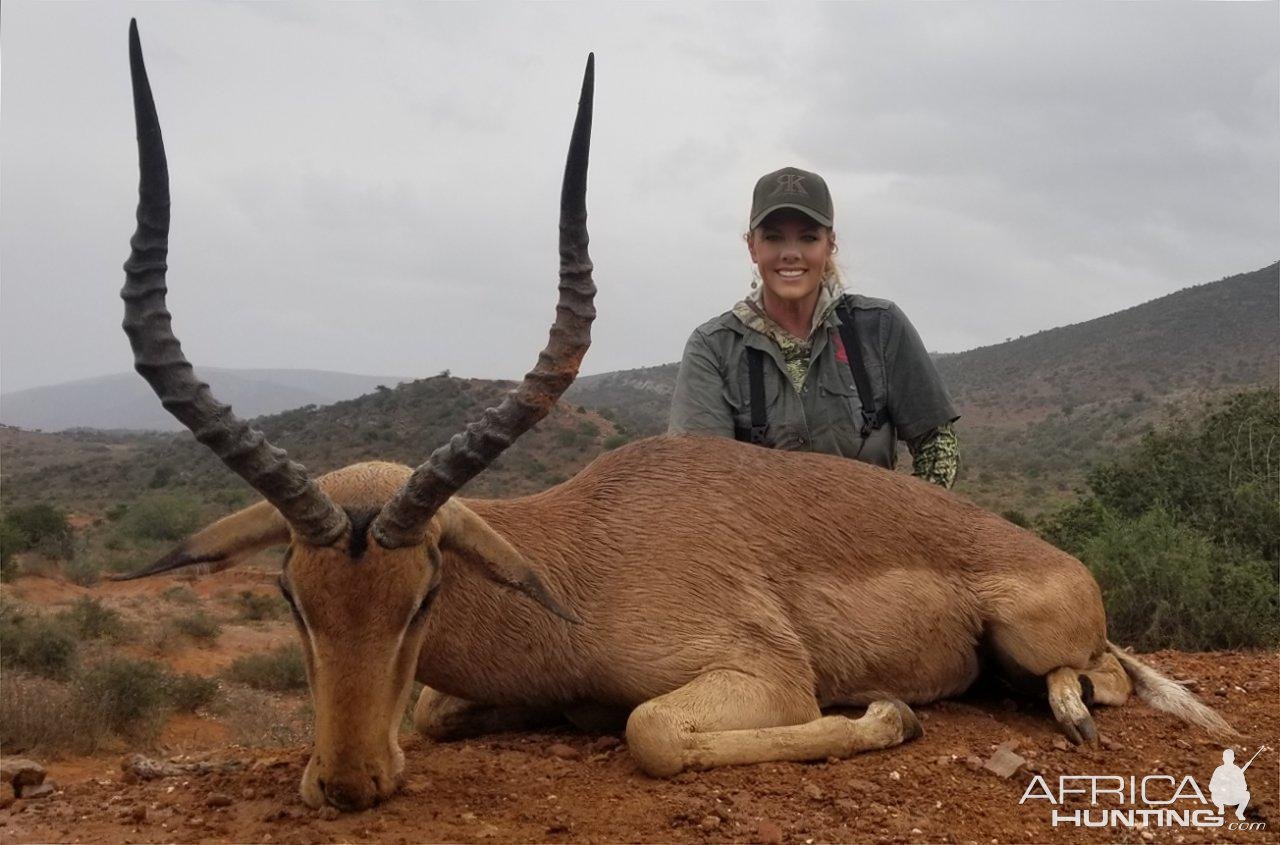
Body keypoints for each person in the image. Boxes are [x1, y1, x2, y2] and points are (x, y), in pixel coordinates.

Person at [668, 166, 960, 488]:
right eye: (773, 237)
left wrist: (907, 530)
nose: (791, 254)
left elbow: (938, 446)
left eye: (808, 237)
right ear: (752, 246)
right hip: (760, 538)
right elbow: (699, 480)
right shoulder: (712, 348)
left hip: (872, 534)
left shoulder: (881, 326)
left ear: (829, 244)